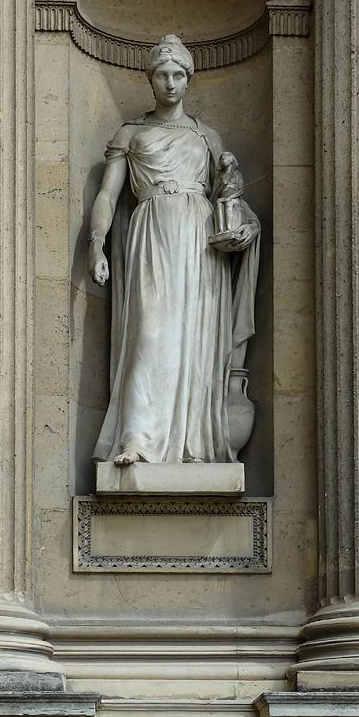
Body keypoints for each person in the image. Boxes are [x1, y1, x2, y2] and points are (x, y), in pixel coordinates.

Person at [88, 34, 259, 466]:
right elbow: (108, 196)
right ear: (150, 79)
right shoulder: (131, 132)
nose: (170, 83)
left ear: (188, 80)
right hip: (152, 232)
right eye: (162, 74)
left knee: (196, 339)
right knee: (149, 332)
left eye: (178, 75)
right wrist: (96, 246)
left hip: (200, 241)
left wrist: (241, 225)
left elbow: (230, 196)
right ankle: (137, 438)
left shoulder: (207, 136)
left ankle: (192, 444)